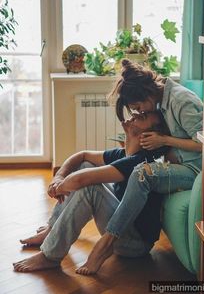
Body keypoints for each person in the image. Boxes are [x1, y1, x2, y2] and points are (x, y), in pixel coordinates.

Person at [76, 59, 204, 273]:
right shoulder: (161, 100)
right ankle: (59, 227)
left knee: (142, 174)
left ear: (146, 93)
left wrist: (164, 140)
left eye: (137, 107)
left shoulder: (181, 101)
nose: (138, 112)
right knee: (125, 168)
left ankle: (106, 243)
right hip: (180, 165)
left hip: (198, 171)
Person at [13, 110, 170, 273]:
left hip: (134, 244)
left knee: (90, 187)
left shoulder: (141, 161)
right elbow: (83, 156)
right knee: (86, 166)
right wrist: (58, 176)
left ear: (148, 136)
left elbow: (80, 181)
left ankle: (50, 256)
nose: (135, 114)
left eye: (142, 117)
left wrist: (58, 187)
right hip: (121, 229)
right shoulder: (123, 154)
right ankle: (51, 230)